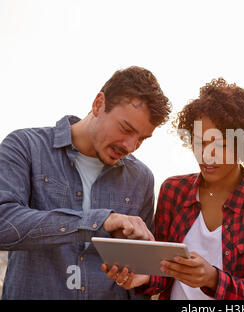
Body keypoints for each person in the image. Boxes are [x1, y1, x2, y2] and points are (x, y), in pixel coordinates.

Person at [102, 78, 244, 300]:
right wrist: (145, 277)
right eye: (199, 142)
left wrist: (212, 279)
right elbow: (163, 272)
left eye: (221, 145)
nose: (206, 155)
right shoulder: (173, 191)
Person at [0, 66, 171, 299]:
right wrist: (100, 221)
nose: (130, 146)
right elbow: (4, 225)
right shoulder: (25, 146)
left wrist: (140, 276)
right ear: (98, 104)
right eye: (126, 129)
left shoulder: (141, 178)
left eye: (141, 139)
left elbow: (138, 270)